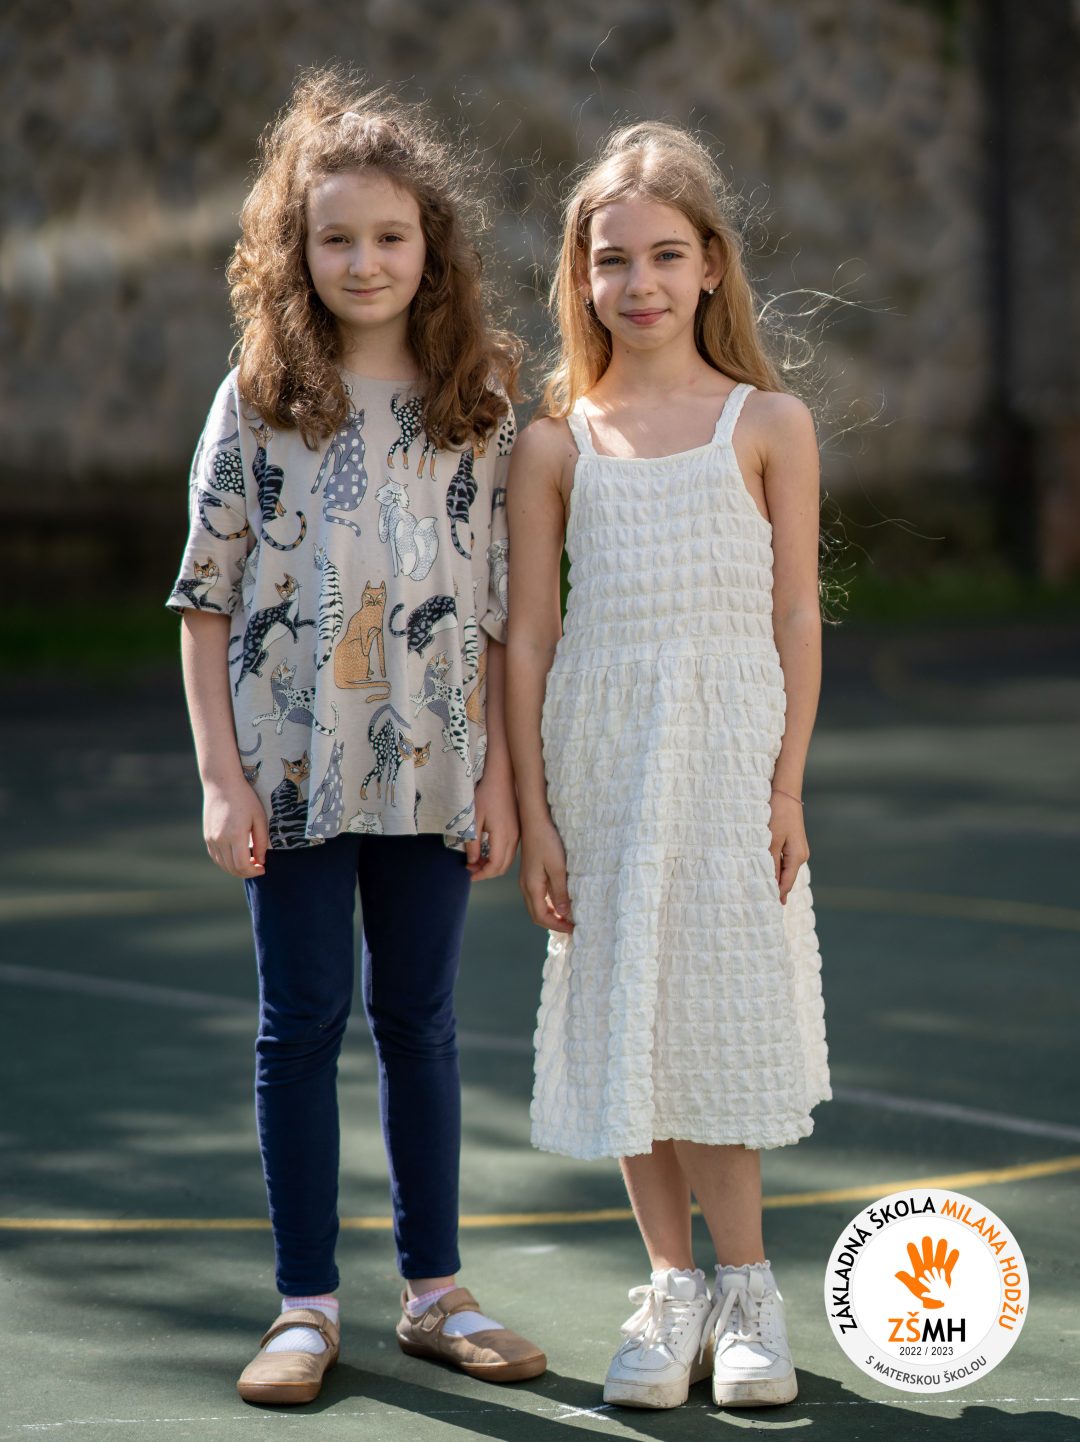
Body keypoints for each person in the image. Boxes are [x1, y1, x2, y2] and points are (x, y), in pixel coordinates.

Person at [168, 67, 545, 1405]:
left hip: (436, 775)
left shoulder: (479, 400)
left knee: (420, 1020)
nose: (366, 261)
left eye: (390, 236)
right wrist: (221, 779)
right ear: (297, 249)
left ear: (431, 246)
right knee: (301, 1022)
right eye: (337, 238)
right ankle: (306, 1307)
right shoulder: (258, 396)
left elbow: (495, 610)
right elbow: (204, 599)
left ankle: (437, 1293)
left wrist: (502, 778)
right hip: (291, 775)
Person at [505, 121, 830, 1411]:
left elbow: (795, 615)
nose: (638, 282)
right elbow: (532, 638)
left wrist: (787, 784)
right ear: (580, 277)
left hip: (728, 764)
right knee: (632, 1027)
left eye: (664, 256)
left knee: (719, 1025)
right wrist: (537, 817)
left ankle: (749, 1294)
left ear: (711, 267)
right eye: (611, 260)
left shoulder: (771, 423)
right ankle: (671, 1289)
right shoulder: (557, 443)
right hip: (602, 765)